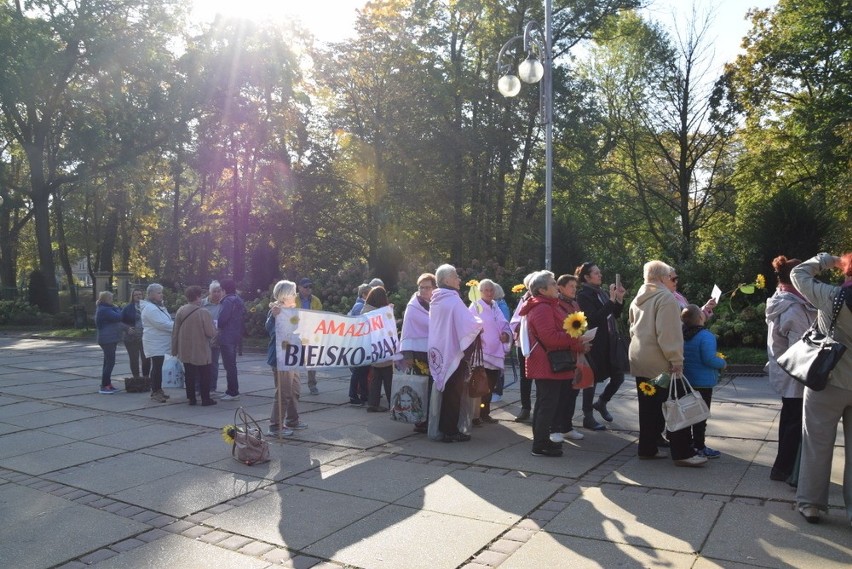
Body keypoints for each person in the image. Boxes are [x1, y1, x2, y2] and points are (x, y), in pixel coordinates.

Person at [791, 252, 852, 525]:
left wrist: (827, 259)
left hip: (828, 381)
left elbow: (797, 274)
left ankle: (811, 505)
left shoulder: (831, 297)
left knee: (816, 443)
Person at [629, 260, 707, 466]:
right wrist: (676, 360)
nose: (673, 280)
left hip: (639, 358)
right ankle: (682, 453)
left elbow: (631, 328)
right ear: (662, 278)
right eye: (671, 277)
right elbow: (668, 333)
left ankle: (647, 447)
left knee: (648, 408)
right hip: (660, 361)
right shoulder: (666, 298)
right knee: (676, 404)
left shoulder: (638, 297)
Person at [519, 271, 590, 457]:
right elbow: (550, 338)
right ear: (542, 289)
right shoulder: (542, 307)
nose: (556, 286)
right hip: (547, 363)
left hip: (551, 362)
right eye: (552, 283)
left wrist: (576, 341)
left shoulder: (549, 305)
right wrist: (575, 339)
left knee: (547, 404)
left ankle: (541, 442)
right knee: (547, 404)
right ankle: (540, 445)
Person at [765, 255, 814, 483]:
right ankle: (786, 469)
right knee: (794, 421)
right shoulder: (793, 306)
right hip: (796, 372)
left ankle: (783, 468)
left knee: (790, 418)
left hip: (787, 371)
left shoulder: (784, 298)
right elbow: (802, 347)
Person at [428, 264, 483, 442]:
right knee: (453, 393)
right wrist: (479, 323)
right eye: (456, 276)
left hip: (439, 349)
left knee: (445, 391)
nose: (459, 279)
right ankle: (450, 430)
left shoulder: (436, 299)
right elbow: (469, 325)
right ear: (446, 280)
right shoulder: (452, 300)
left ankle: (443, 427)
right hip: (452, 353)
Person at [575, 261, 627, 430]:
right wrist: (611, 301)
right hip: (595, 343)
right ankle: (587, 416)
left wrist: (619, 299)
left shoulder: (601, 292)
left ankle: (602, 402)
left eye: (599, 272)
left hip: (610, 341)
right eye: (596, 273)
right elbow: (594, 318)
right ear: (587, 277)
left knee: (618, 375)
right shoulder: (584, 295)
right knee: (592, 379)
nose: (600, 275)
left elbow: (614, 314)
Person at [681, 304, 726, 458]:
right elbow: (709, 359)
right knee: (701, 416)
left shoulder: (682, 334)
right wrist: (722, 363)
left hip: (686, 380)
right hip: (703, 382)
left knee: (688, 414)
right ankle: (700, 446)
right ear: (700, 318)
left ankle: (688, 443)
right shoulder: (706, 336)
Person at [265, 280, 307, 436]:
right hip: (281, 357)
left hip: (292, 356)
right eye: (293, 292)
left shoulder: (291, 310)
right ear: (286, 295)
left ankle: (292, 420)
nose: (296, 295)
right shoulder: (276, 311)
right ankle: (275, 426)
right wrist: (274, 318)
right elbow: (270, 330)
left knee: (294, 389)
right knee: (283, 392)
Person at [469, 279, 511, 424]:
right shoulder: (475, 306)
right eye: (485, 290)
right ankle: (476, 415)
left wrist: (506, 335)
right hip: (482, 353)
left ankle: (485, 413)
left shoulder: (495, 306)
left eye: (491, 290)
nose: (489, 293)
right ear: (480, 292)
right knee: (480, 385)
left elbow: (504, 324)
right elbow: (469, 325)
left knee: (490, 386)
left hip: (496, 352)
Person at [550, 274, 585, 441]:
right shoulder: (556, 304)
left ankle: (567, 426)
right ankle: (555, 427)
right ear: (560, 287)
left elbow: (580, 324)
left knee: (573, 391)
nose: (574, 289)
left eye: (575, 287)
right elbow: (563, 329)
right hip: (564, 352)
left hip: (576, 353)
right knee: (561, 393)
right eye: (571, 286)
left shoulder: (575, 303)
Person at [400, 273, 436, 433]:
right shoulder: (413, 307)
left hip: (432, 352)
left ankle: (429, 418)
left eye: (427, 287)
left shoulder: (434, 304)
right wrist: (407, 356)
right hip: (417, 354)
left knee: (430, 386)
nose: (424, 290)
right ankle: (420, 420)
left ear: (434, 288)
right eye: (421, 287)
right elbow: (407, 332)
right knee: (420, 388)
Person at [171, 285, 218, 406]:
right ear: (198, 297)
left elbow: (175, 331)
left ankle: (191, 398)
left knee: (189, 373)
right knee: (204, 374)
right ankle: (205, 398)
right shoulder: (203, 312)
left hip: (185, 348)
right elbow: (210, 332)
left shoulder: (181, 310)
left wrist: (174, 349)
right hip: (201, 348)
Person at [510, 272, 537, 422]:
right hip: (524, 343)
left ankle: (541, 408)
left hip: (540, 344)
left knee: (542, 378)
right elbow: (514, 320)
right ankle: (525, 407)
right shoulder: (524, 298)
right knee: (525, 377)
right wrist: (518, 326)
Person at [141, 283, 173, 403]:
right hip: (155, 342)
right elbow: (161, 324)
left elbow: (166, 321)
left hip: (160, 342)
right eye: (159, 293)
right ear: (151, 294)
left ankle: (158, 390)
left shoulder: (158, 306)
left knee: (159, 367)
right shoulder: (150, 308)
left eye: (161, 292)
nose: (161, 295)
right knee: (157, 367)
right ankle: (155, 391)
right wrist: (178, 326)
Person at [364, 286, 394, 412]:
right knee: (388, 377)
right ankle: (392, 402)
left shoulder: (366, 310)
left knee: (376, 378)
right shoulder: (382, 312)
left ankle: (373, 403)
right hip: (383, 348)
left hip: (372, 348)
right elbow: (387, 328)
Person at [217, 279, 245, 401]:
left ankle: (233, 391)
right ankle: (232, 390)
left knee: (229, 365)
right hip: (236, 334)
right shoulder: (238, 300)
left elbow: (222, 319)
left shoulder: (227, 301)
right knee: (232, 364)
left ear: (224, 290)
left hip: (227, 335)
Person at [346, 283, 372, 405]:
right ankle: (353, 395)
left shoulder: (360, 305)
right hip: (359, 343)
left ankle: (363, 394)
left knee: (362, 370)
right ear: (364, 294)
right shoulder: (359, 306)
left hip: (361, 342)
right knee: (358, 371)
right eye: (369, 293)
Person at [298, 277, 322, 395]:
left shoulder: (316, 301)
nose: (308, 289)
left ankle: (312, 384)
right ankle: (294, 385)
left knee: (312, 361)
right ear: (299, 288)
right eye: (305, 287)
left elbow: (320, 316)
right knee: (295, 361)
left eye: (310, 287)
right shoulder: (293, 300)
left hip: (311, 335)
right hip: (296, 335)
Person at [95, 291, 123, 394]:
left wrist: (116, 308)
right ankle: (104, 385)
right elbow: (119, 317)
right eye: (111, 298)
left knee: (107, 362)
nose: (112, 300)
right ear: (106, 299)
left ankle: (107, 383)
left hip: (109, 338)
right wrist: (118, 309)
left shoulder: (106, 308)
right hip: (107, 339)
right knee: (110, 362)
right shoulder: (105, 310)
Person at [121, 289, 150, 381]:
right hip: (131, 338)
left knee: (146, 358)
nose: (138, 296)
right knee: (134, 359)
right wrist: (127, 328)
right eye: (135, 295)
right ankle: (136, 378)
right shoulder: (127, 308)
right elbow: (119, 321)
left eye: (140, 294)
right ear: (132, 297)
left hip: (145, 337)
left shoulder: (148, 307)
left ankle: (146, 378)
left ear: (143, 295)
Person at [202, 280, 224, 394]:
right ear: (209, 293)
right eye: (214, 291)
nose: (217, 293)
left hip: (216, 339)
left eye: (219, 291)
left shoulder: (223, 304)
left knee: (214, 364)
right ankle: (199, 387)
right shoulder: (202, 304)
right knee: (200, 363)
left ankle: (212, 388)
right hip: (202, 339)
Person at [492, 283, 512, 402]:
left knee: (499, 367)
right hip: (493, 341)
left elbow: (504, 324)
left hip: (500, 341)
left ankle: (498, 391)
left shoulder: (501, 306)